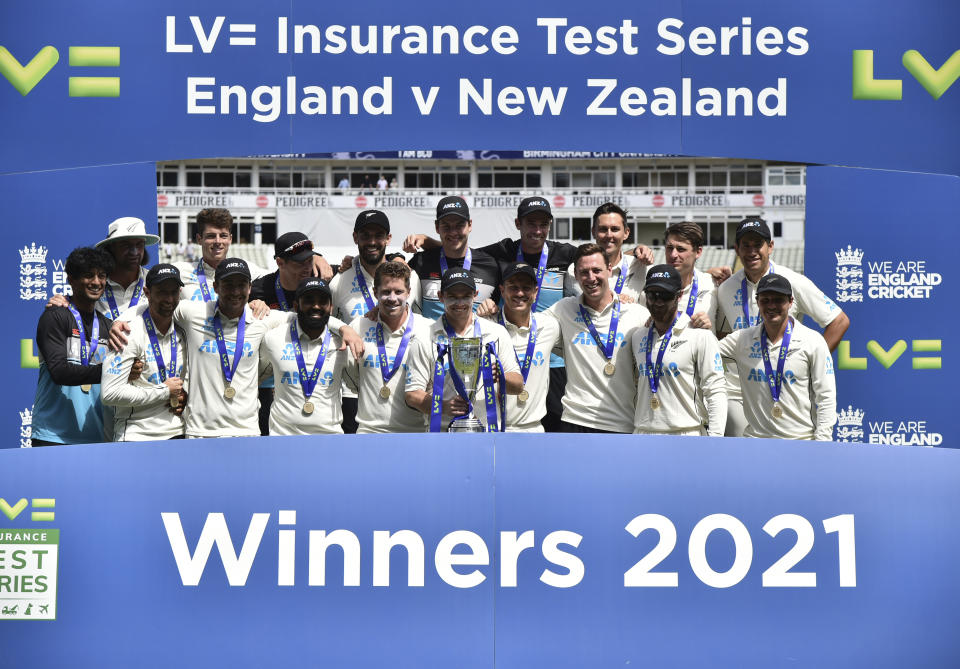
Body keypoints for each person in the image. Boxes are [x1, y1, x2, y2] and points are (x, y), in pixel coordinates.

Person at [715, 217, 849, 436]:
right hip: (739, 395)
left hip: (784, 389)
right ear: (736, 249)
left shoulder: (793, 281)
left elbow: (839, 320)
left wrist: (804, 362)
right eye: (745, 246)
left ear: (771, 246)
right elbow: (721, 336)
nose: (752, 252)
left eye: (758, 245)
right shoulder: (726, 288)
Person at [331, 211, 422, 433]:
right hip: (356, 394)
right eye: (365, 235)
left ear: (388, 239)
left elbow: (419, 321)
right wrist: (344, 328)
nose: (372, 242)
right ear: (355, 237)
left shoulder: (411, 276)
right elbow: (323, 318)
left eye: (378, 235)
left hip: (406, 391)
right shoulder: (340, 280)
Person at [717, 274, 836, 440]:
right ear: (758, 302)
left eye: (778, 300)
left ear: (790, 302)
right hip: (756, 442)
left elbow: (826, 396)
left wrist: (822, 442)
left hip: (800, 441)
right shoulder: (741, 339)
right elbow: (702, 352)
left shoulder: (812, 341)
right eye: (765, 300)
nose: (771, 306)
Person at [546, 243, 650, 433]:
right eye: (584, 272)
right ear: (576, 276)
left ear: (610, 270)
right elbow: (527, 324)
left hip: (622, 422)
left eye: (597, 270)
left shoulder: (636, 314)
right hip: (575, 421)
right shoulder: (563, 310)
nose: (591, 278)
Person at [406, 269, 522, 432]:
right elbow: (412, 395)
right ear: (440, 296)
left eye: (465, 296)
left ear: (475, 295)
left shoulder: (496, 333)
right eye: (452, 296)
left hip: (488, 433)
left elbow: (518, 386)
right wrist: (443, 406)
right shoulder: (425, 337)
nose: (459, 303)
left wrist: (501, 376)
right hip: (442, 434)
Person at [31, 247, 114, 445]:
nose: (96, 282)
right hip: (53, 435)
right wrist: (109, 371)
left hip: (95, 434)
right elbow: (59, 372)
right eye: (88, 275)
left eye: (101, 276)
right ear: (71, 279)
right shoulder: (55, 316)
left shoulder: (107, 326)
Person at [631, 265, 726, 436]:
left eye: (665, 295)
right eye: (652, 295)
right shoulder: (638, 336)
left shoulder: (699, 336)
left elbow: (715, 390)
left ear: (679, 295)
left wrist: (716, 439)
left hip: (686, 434)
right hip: (643, 433)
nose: (658, 301)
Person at [101, 264, 187, 441]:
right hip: (137, 435)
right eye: (162, 292)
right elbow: (110, 393)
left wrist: (186, 393)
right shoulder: (126, 331)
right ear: (147, 293)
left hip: (178, 433)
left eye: (174, 292)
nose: (169, 299)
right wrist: (164, 391)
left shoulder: (184, 327)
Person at [175, 208, 333, 304]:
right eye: (210, 236)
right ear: (198, 239)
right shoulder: (180, 271)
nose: (218, 241)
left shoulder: (249, 270)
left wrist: (314, 258)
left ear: (230, 239)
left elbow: (284, 272)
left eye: (223, 236)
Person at [346, 261, 433, 433]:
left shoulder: (428, 329)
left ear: (409, 292)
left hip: (415, 434)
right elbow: (352, 379)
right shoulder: (359, 326)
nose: (392, 298)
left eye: (399, 291)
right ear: (375, 292)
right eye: (386, 292)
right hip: (369, 433)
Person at [260, 278, 351, 435]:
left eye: (322, 301)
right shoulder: (273, 338)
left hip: (329, 438)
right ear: (296, 306)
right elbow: (258, 376)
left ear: (331, 308)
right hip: (282, 438)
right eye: (308, 300)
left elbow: (355, 384)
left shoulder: (342, 344)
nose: (316, 306)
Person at [486, 262, 561, 432]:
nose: (520, 293)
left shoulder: (549, 326)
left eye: (526, 288)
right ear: (502, 290)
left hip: (533, 428)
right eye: (513, 287)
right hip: (493, 428)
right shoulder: (486, 326)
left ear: (535, 292)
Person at [406, 196, 501, 320]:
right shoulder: (421, 262)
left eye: (459, 225)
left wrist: (494, 308)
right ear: (437, 227)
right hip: (432, 338)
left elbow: (503, 307)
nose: (453, 232)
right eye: (446, 226)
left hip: (475, 338)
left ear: (470, 225)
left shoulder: (490, 266)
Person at [570, 202, 653, 301]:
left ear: (626, 233)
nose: (609, 235)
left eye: (614, 229)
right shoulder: (573, 271)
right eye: (603, 229)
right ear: (593, 232)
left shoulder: (642, 268)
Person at [660, 221, 718, 330]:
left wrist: (708, 331)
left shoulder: (713, 285)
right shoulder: (651, 285)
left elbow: (722, 332)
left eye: (681, 249)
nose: (673, 255)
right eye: (669, 248)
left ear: (698, 252)